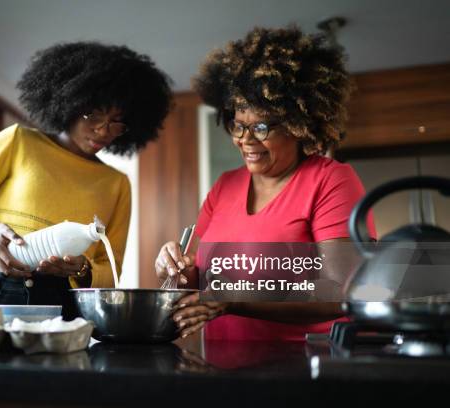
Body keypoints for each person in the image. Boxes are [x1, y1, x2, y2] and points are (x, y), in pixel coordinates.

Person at [155, 26, 375, 340]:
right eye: (237, 125)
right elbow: (202, 280)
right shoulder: (225, 186)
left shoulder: (331, 180)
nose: (245, 140)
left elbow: (339, 292)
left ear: (298, 126)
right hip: (222, 365)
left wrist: (233, 299)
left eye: (260, 126)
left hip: (302, 367)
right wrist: (175, 269)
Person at [0, 42, 172, 318]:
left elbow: (111, 269)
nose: (103, 130)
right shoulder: (18, 141)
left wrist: (82, 269)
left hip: (67, 302)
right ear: (69, 100)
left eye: (117, 121)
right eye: (93, 114)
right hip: (0, 286)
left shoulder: (116, 183)